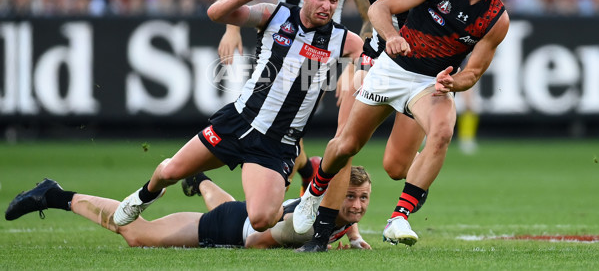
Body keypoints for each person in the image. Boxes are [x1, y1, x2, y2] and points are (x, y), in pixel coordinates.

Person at [291, 0, 518, 248]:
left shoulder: (498, 19)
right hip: (392, 70)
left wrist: (455, 82)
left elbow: (475, 71)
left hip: (430, 84)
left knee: (442, 131)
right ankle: (312, 195)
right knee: (346, 145)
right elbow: (379, 9)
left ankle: (399, 217)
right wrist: (392, 37)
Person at [111, 0, 363, 232]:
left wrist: (353, 71)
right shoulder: (275, 15)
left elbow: (363, 56)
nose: (326, 6)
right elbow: (215, 14)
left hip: (276, 144)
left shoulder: (343, 40)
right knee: (170, 173)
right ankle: (145, 196)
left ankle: (296, 200)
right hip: (239, 120)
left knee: (261, 220)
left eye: (333, 1)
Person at [272, 0, 432, 251]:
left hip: (412, 73)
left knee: (395, 166)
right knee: (343, 145)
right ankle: (320, 232)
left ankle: (421, 174)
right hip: (372, 65)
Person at [216, 0, 371, 195]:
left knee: (284, 119)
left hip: (320, 52)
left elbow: (370, 17)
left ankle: (289, 175)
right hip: (278, 41)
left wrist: (353, 66)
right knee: (275, 117)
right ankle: (301, 171)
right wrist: (231, 31)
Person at [4, 166, 372, 250]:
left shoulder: (331, 213)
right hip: (226, 228)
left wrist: (353, 236)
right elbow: (258, 243)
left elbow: (339, 213)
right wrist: (310, 251)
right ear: (332, 199)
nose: (356, 206)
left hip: (241, 214)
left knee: (236, 207)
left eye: (363, 198)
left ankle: (200, 179)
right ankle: (56, 196)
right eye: (350, 197)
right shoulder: (306, 226)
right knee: (136, 234)